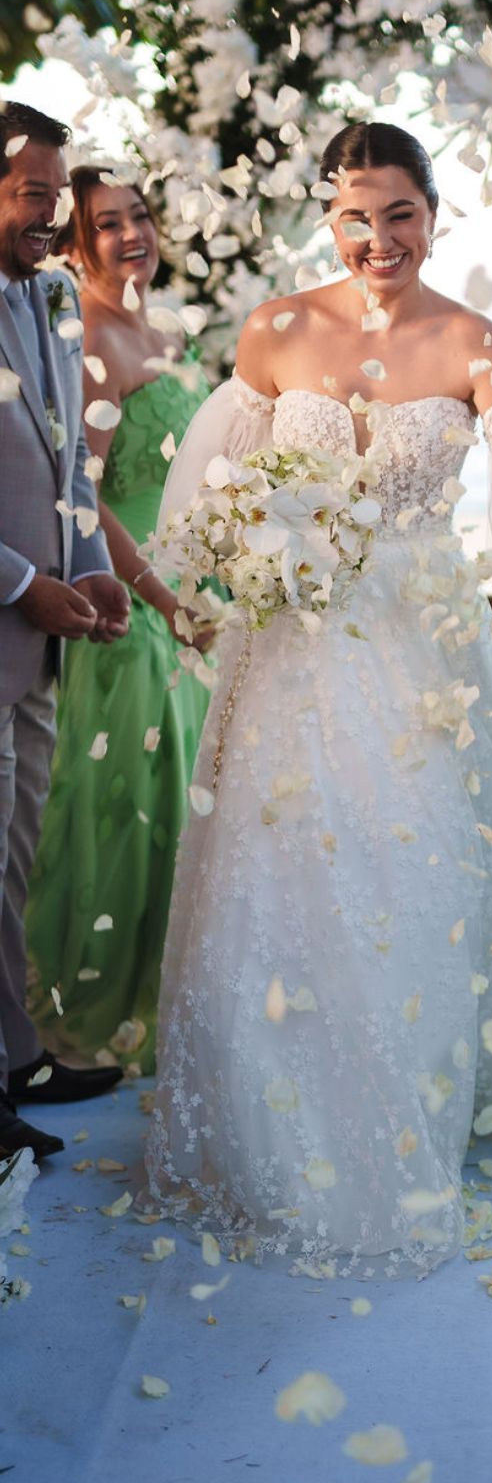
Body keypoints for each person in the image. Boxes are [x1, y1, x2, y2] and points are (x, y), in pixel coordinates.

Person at [145, 121, 492, 1276]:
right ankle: (269, 1127)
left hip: (419, 650)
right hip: (289, 647)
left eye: (398, 211)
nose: (376, 237)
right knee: (280, 861)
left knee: (409, 868)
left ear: (433, 212)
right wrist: (224, 570)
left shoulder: (474, 340)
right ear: (327, 214)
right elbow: (210, 489)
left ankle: (406, 1107)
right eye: (354, 213)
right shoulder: (276, 331)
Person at [24, 168, 217, 1075]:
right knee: (123, 811)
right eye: (107, 224)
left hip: (191, 593)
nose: (131, 233)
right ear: (74, 243)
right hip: (129, 602)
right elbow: (84, 498)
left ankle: (170, 998)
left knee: (184, 808)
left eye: (138, 215)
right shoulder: (91, 334)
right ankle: (88, 1013)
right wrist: (162, 601)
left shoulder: (168, 325)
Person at [0, 104, 129, 1161]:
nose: (53, 215)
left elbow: (68, 462)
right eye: (32, 195)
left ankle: (11, 1057)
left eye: (55, 192)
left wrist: (90, 572)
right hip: (5, 615)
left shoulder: (49, 299)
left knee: (14, 854)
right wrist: (20, 585)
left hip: (38, 638)